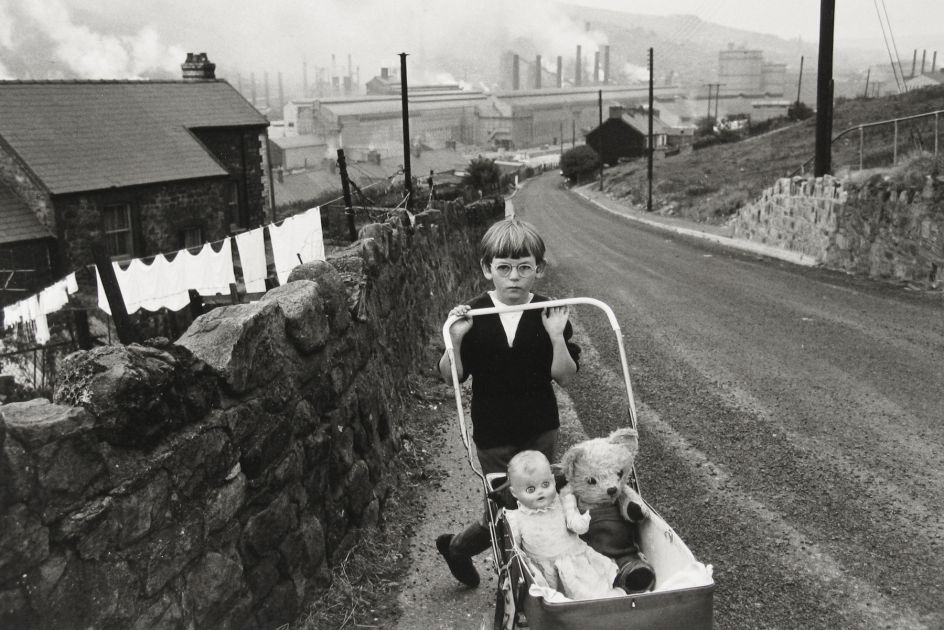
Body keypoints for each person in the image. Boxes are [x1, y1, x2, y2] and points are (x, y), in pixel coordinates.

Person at [435, 216, 580, 588]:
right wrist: (456, 337)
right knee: (506, 507)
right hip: (494, 430)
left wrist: (556, 337)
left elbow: (564, 375)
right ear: (487, 269)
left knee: (542, 502)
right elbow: (451, 375)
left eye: (523, 268)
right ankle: (470, 553)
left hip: (540, 427)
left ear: (538, 269)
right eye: (504, 268)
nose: (513, 277)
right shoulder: (473, 313)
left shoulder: (550, 311)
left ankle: (535, 576)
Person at [504, 451, 625, 600]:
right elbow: (515, 548)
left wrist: (582, 520)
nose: (540, 492)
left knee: (592, 588)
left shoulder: (563, 502)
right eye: (530, 490)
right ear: (514, 493)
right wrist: (524, 566)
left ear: (554, 481)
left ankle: (605, 598)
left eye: (545, 484)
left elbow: (576, 526)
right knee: (549, 597)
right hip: (545, 568)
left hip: (573, 560)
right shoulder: (517, 518)